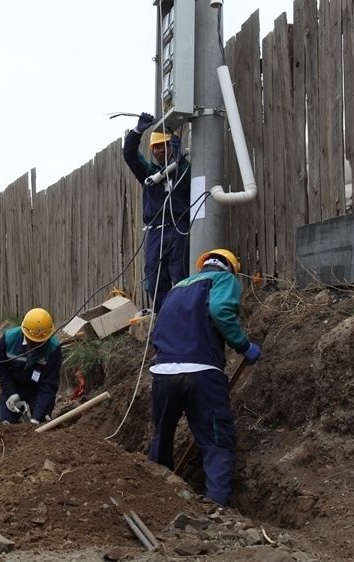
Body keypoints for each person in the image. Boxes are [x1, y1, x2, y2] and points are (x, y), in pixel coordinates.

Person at [148, 248, 262, 506]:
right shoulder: (224, 280)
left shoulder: (176, 289)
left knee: (161, 436)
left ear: (203, 266)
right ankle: (216, 511)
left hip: (163, 373)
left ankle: (158, 500)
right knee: (216, 443)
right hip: (201, 374)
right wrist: (243, 346)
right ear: (231, 267)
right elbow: (221, 310)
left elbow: (159, 329)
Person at [122, 112, 192, 313]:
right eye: (156, 147)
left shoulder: (182, 169)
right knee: (154, 279)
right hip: (155, 232)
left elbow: (188, 182)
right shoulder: (149, 172)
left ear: (172, 145)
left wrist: (180, 162)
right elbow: (130, 155)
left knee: (180, 275)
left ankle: (184, 316)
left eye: (164, 145)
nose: (160, 151)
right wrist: (136, 132)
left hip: (179, 228)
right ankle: (163, 317)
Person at [0, 308, 61, 424]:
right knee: (6, 421)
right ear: (24, 332)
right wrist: (11, 393)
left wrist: (37, 416)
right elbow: (0, 368)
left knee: (42, 421)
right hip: (14, 386)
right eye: (33, 341)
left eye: (41, 342)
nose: (36, 345)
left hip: (37, 391)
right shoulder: (8, 340)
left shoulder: (53, 348)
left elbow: (49, 384)